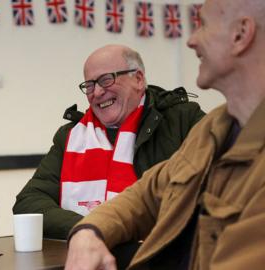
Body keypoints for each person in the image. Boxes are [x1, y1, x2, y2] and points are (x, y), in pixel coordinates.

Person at [65, 0, 265, 269]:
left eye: (203, 24)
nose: (191, 40)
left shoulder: (190, 120)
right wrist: (88, 232)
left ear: (241, 34)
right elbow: (147, 195)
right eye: (91, 85)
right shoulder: (214, 128)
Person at [13, 45, 205, 240]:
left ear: (138, 79)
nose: (96, 92)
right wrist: (90, 230)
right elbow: (29, 203)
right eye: (89, 85)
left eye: (106, 80)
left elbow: (211, 188)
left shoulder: (183, 120)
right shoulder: (70, 136)